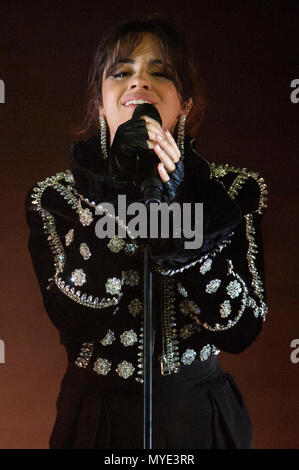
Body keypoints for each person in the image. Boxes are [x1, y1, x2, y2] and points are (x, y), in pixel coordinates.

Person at [25, 17, 268, 449]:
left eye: (160, 72)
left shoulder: (231, 193)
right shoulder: (56, 197)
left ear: (186, 102)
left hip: (201, 420)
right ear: (101, 102)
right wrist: (120, 194)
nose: (139, 81)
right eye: (121, 72)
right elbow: (72, 318)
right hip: (97, 423)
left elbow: (241, 329)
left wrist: (180, 214)